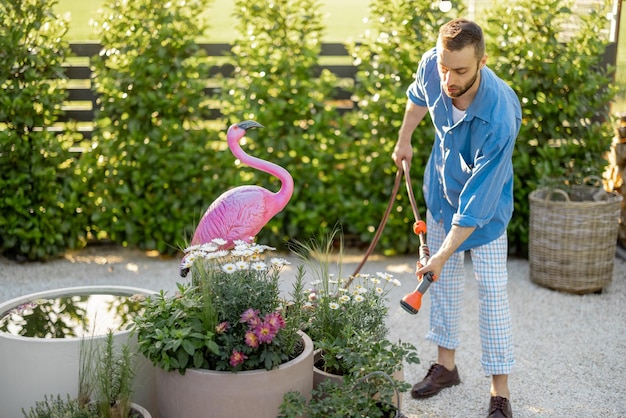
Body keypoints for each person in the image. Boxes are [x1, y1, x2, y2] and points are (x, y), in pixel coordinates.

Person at [392, 18, 521, 418]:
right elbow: (418, 97)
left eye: (460, 71)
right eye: (445, 68)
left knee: (492, 292)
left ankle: (500, 392)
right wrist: (405, 138)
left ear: (482, 61)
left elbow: (475, 207)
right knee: (442, 287)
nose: (448, 79)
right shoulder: (435, 65)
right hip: (441, 194)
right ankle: (446, 368)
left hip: (483, 213)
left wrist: (441, 256)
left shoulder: (501, 117)